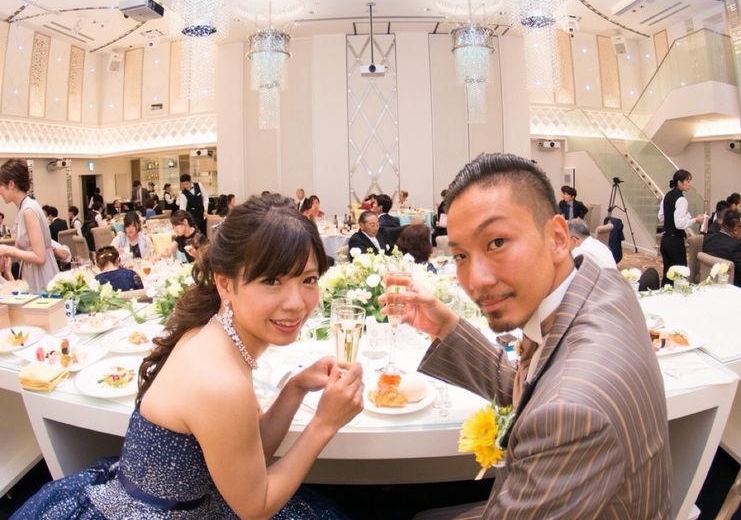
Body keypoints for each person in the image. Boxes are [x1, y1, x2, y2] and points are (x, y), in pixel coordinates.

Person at [12, 195, 362, 519]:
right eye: (272, 280)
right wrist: (324, 424)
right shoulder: (219, 379)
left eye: (308, 279)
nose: (297, 303)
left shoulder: (212, 332)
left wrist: (295, 387)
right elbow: (254, 507)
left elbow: (246, 452)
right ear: (225, 284)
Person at [389, 153, 669, 519]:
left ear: (557, 237)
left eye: (497, 242)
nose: (476, 281)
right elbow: (536, 386)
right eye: (460, 256)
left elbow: (558, 401)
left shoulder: (573, 413)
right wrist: (445, 327)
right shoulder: (599, 283)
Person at [0, 159, 59, 294]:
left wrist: (8, 250)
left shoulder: (28, 210)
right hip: (33, 271)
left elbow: (40, 257)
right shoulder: (25, 207)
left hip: (40, 274)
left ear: (11, 184)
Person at [658, 169, 704, 286]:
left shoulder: (667, 196)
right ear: (679, 182)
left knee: (668, 274)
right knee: (680, 275)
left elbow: (661, 217)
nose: (690, 184)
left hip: (665, 240)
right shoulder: (681, 200)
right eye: (687, 181)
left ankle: (664, 294)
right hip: (675, 242)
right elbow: (679, 224)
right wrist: (695, 220)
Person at [703, 210, 741, 291]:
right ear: (735, 228)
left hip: (708, 284)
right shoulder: (737, 247)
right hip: (733, 289)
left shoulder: (707, 238)